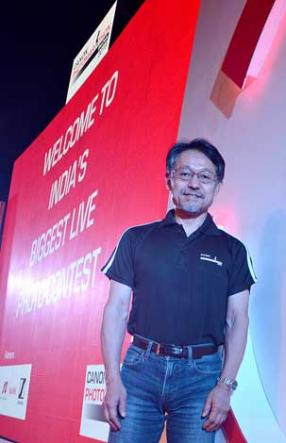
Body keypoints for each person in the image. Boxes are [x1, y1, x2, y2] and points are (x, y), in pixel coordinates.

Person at [99, 139, 256, 442]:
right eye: (185, 174)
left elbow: (237, 320)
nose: (194, 184)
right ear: (169, 179)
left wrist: (225, 386)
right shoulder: (136, 239)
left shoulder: (233, 250)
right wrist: (113, 379)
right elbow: (116, 310)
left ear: (217, 186)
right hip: (139, 372)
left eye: (205, 177)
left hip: (201, 379)